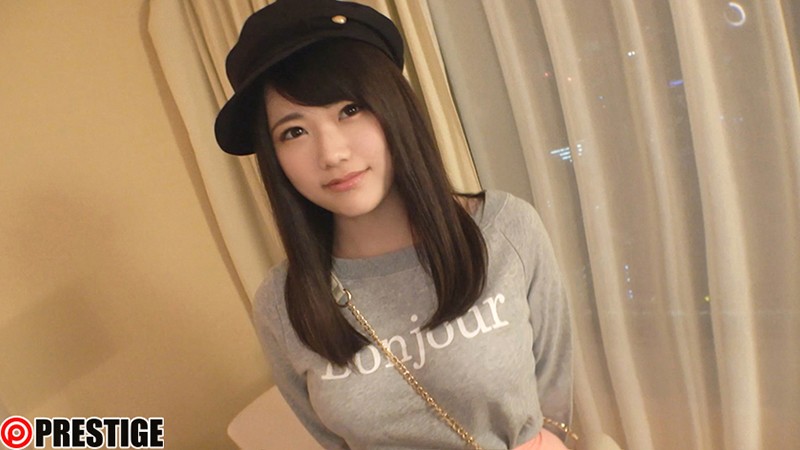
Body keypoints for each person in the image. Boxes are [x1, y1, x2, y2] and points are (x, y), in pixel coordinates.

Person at [214, 0, 573, 448]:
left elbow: (554, 396)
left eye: (349, 110)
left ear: (393, 107)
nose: (331, 153)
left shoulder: (504, 231)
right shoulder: (281, 303)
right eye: (294, 131)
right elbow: (332, 440)